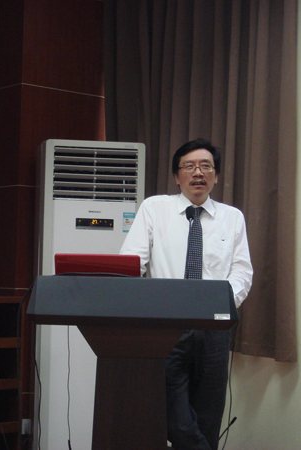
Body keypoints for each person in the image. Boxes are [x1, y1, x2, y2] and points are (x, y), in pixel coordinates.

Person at [120, 138, 253, 450]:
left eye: (206, 166)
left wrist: (219, 303)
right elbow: (132, 263)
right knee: (173, 415)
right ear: (177, 176)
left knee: (208, 418)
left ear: (216, 176)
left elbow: (242, 271)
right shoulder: (155, 209)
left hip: (214, 328)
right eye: (189, 166)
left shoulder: (232, 217)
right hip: (166, 327)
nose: (198, 173)